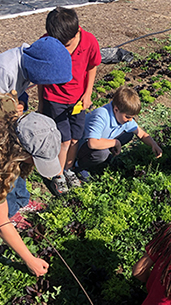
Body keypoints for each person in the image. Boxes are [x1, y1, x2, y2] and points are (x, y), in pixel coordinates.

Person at [39, 7, 102, 196]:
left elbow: (93, 65)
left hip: (77, 100)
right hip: (55, 98)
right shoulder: (46, 42)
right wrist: (42, 103)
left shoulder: (89, 41)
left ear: (77, 31)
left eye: (67, 44)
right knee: (63, 140)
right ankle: (58, 175)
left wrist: (88, 92)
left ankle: (68, 169)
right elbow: (41, 75)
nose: (63, 49)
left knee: (75, 137)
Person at [0, 109, 62, 277]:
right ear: (22, 151)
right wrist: (30, 260)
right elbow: (0, 221)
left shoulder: (11, 121)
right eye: (36, 159)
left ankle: (17, 203)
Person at [76, 85, 162, 172]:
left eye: (132, 117)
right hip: (80, 147)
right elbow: (93, 143)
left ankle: (105, 156)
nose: (130, 120)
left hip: (100, 141)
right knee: (102, 153)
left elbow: (142, 134)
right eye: (128, 117)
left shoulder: (123, 117)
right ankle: (78, 166)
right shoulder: (100, 116)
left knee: (128, 134)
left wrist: (153, 144)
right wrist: (115, 143)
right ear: (116, 109)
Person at [0, 36, 72, 116]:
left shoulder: (30, 60)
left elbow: (17, 89)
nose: (50, 85)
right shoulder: (5, 71)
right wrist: (8, 110)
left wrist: (21, 103)